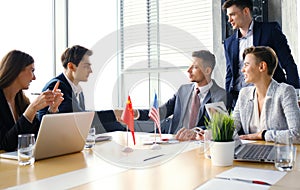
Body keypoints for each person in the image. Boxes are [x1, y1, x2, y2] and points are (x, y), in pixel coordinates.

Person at [126, 50, 230, 141]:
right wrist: (137, 113)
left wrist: (195, 132)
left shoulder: (221, 96)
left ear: (207, 71)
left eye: (194, 67)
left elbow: (219, 127)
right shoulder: (183, 90)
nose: (188, 70)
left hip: (199, 145)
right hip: (175, 141)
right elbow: (163, 111)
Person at [222, 0, 300, 109]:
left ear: (245, 11)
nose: (229, 20)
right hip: (240, 99)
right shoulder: (228, 43)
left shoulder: (270, 30)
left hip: (270, 96)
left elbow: (288, 62)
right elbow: (230, 75)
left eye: (233, 15)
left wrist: (295, 93)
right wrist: (227, 102)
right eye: (228, 16)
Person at [38, 45, 125, 132]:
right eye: (86, 66)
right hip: (55, 140)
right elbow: (79, 118)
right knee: (116, 126)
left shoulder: (77, 89)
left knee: (118, 126)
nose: (90, 71)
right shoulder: (57, 86)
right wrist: (114, 114)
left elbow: (83, 117)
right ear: (71, 66)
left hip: (69, 137)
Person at [233, 46, 300, 144]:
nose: (243, 70)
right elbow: (232, 126)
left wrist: (263, 135)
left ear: (262, 67)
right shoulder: (244, 94)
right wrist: (211, 133)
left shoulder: (285, 92)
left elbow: (297, 134)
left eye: (246, 65)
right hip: (249, 152)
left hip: (278, 154)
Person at [0, 50, 63, 151]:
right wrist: (32, 108)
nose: (34, 77)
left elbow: (37, 137)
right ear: (17, 70)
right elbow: (5, 144)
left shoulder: (21, 101)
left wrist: (52, 109)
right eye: (32, 70)